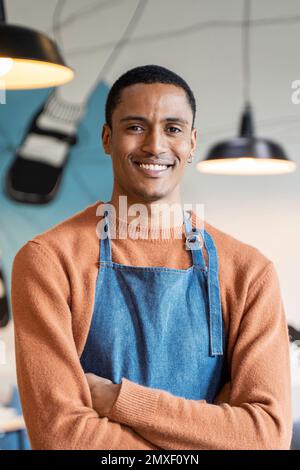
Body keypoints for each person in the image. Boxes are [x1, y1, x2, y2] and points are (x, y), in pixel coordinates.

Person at [11, 64, 292, 450]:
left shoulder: (249, 272)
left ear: (192, 144)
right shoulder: (49, 262)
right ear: (107, 138)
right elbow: (61, 436)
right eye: (136, 127)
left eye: (173, 129)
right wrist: (212, 431)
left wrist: (114, 400)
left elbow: (264, 437)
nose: (155, 146)